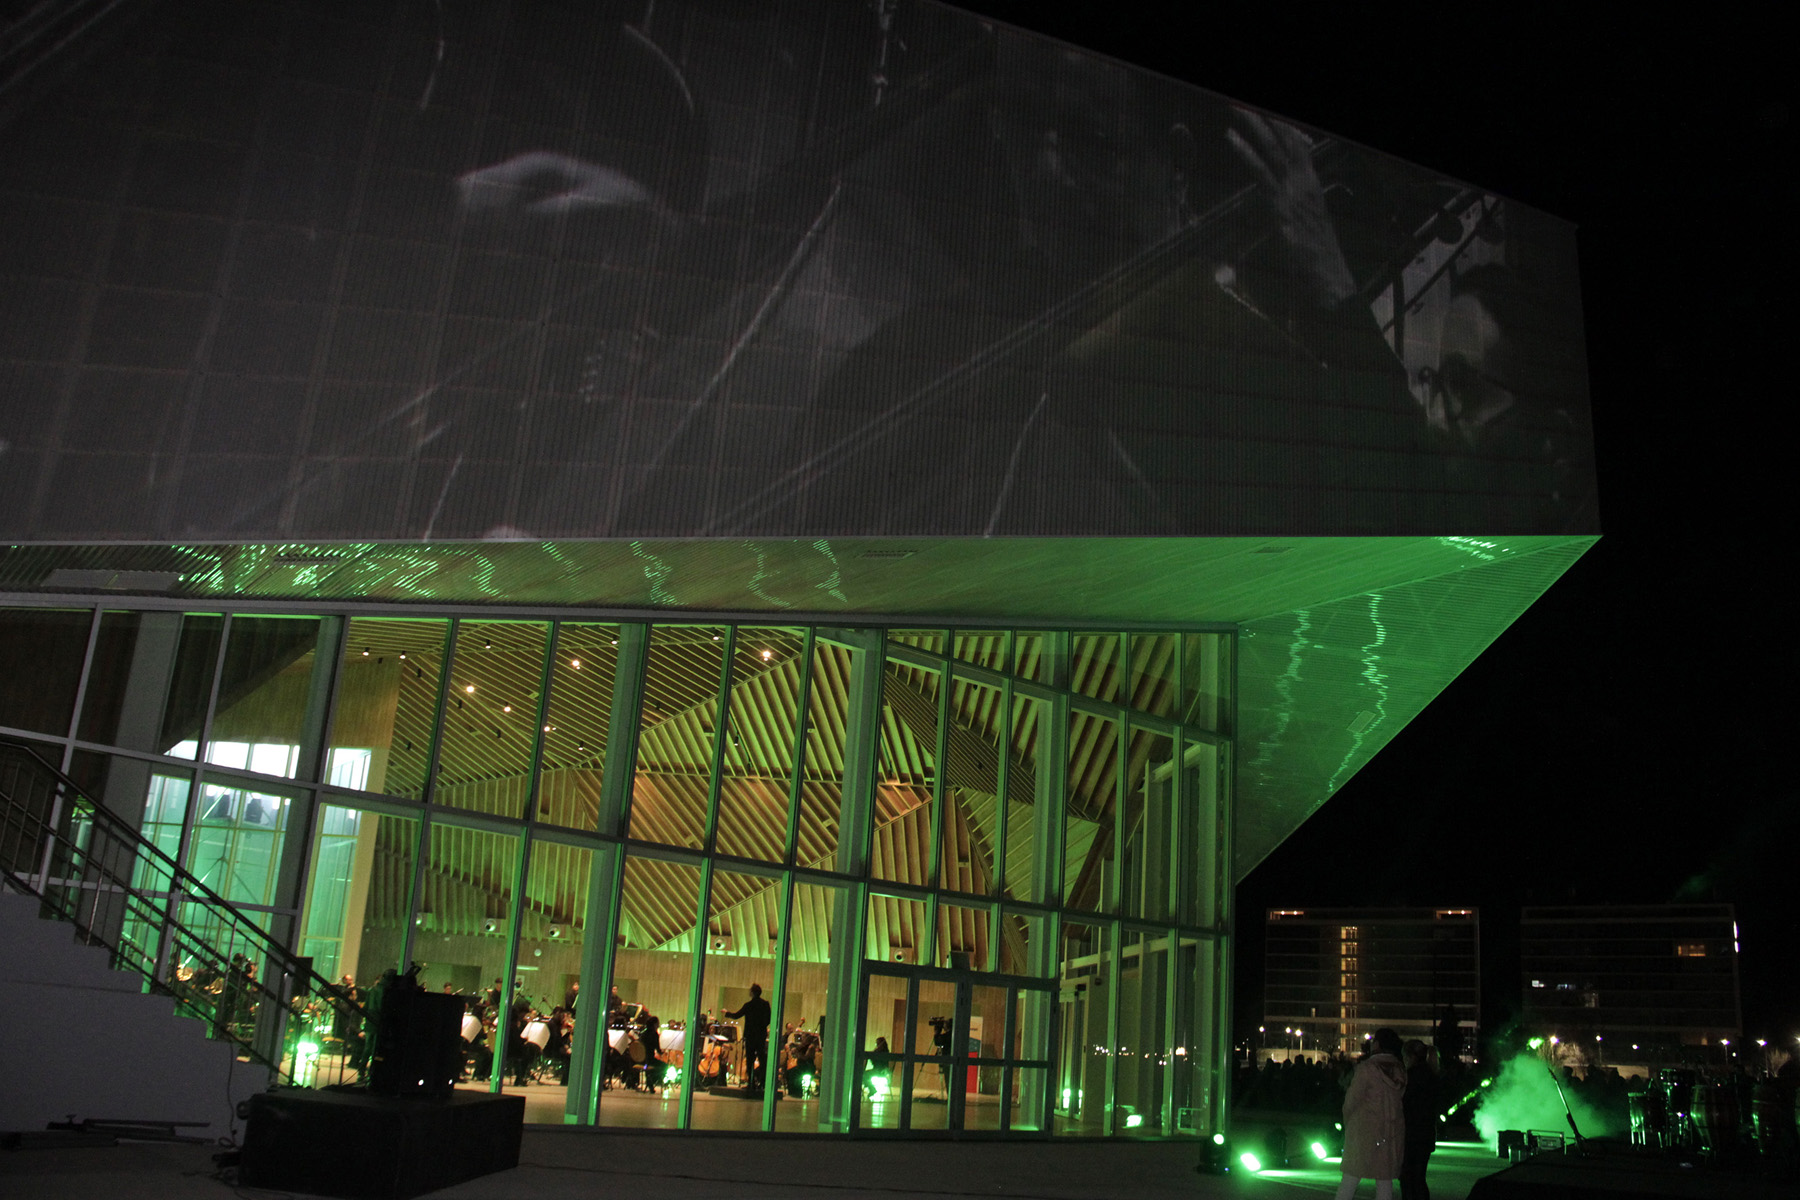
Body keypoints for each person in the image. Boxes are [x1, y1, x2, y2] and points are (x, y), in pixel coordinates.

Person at [1337, 1028, 1407, 1200]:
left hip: (1364, 1132)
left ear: (1377, 1044)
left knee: (1349, 1181)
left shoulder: (1367, 1069)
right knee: (1385, 1183)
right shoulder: (1400, 1070)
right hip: (1390, 1134)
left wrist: (1347, 1122)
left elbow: (1351, 1102)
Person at [1400, 1040, 1440, 1200]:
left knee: (1408, 1180)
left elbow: (1406, 1106)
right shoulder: (1431, 1074)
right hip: (1425, 1135)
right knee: (1419, 1178)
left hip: (1412, 1135)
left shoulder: (1411, 1077)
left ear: (1410, 1056)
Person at [725, 983, 772, 1093]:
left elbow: (737, 1015)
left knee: (750, 1060)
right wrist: (761, 1027)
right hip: (760, 1035)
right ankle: (763, 1083)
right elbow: (768, 1020)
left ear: (752, 993)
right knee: (762, 1059)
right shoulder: (765, 1004)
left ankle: (750, 1083)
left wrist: (726, 1013)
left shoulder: (748, 1005)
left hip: (750, 1035)